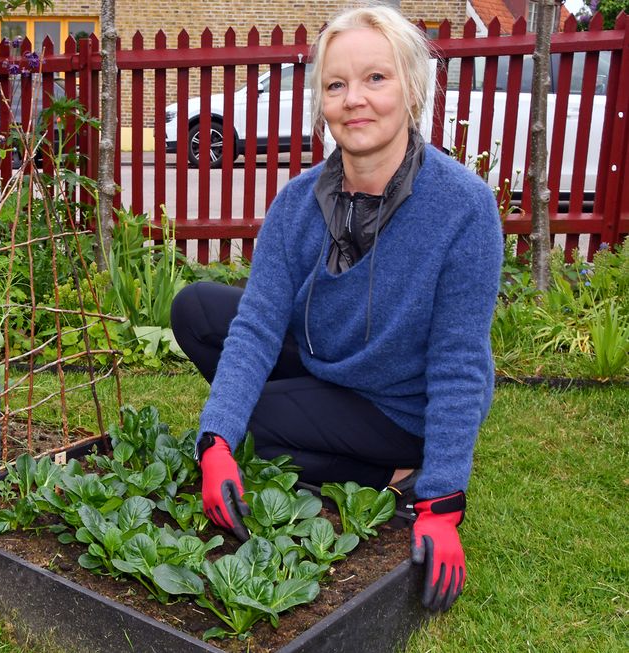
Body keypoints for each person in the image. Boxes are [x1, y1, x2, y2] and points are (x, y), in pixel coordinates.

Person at [170, 5, 502, 613]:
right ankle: (290, 430)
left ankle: (397, 474)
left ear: (412, 89)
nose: (356, 99)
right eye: (336, 84)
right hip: (334, 361)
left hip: (403, 402)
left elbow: (460, 362)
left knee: (262, 426)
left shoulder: (463, 209)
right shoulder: (299, 201)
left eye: (376, 78)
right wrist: (214, 441)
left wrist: (442, 500)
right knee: (196, 309)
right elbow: (258, 324)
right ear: (321, 101)